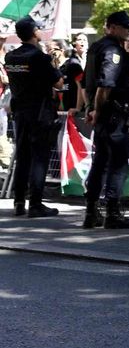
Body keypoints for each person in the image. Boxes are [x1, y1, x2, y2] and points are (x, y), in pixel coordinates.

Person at [82, 11, 129, 230]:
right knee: (118, 163)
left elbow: (86, 84)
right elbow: (105, 85)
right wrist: (97, 110)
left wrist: (91, 109)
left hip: (103, 115)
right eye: (125, 26)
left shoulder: (95, 48)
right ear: (112, 27)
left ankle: (91, 211)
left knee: (99, 162)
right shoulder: (113, 51)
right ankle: (113, 212)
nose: (128, 31)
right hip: (113, 115)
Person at [5, 16, 63, 217]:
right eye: (38, 28)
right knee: (40, 158)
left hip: (20, 112)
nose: (41, 30)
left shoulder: (10, 57)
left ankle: (19, 201)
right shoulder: (39, 57)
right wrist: (54, 62)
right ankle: (36, 204)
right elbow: (59, 84)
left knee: (23, 157)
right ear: (33, 32)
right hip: (40, 113)